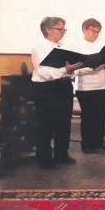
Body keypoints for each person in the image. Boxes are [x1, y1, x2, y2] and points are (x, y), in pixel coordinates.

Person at [31, 16, 82, 169]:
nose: (63, 32)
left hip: (64, 86)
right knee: (46, 123)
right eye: (60, 29)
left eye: (64, 29)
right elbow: (44, 72)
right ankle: (45, 159)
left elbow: (68, 70)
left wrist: (75, 68)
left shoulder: (63, 47)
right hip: (46, 89)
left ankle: (62, 154)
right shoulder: (39, 48)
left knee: (64, 122)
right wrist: (66, 69)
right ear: (48, 30)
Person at [74, 18, 105, 153]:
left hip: (102, 85)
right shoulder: (77, 46)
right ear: (85, 29)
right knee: (88, 117)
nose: (96, 34)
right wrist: (92, 69)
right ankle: (87, 144)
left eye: (98, 32)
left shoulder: (101, 47)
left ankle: (99, 141)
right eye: (93, 31)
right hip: (86, 87)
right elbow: (75, 70)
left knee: (100, 116)